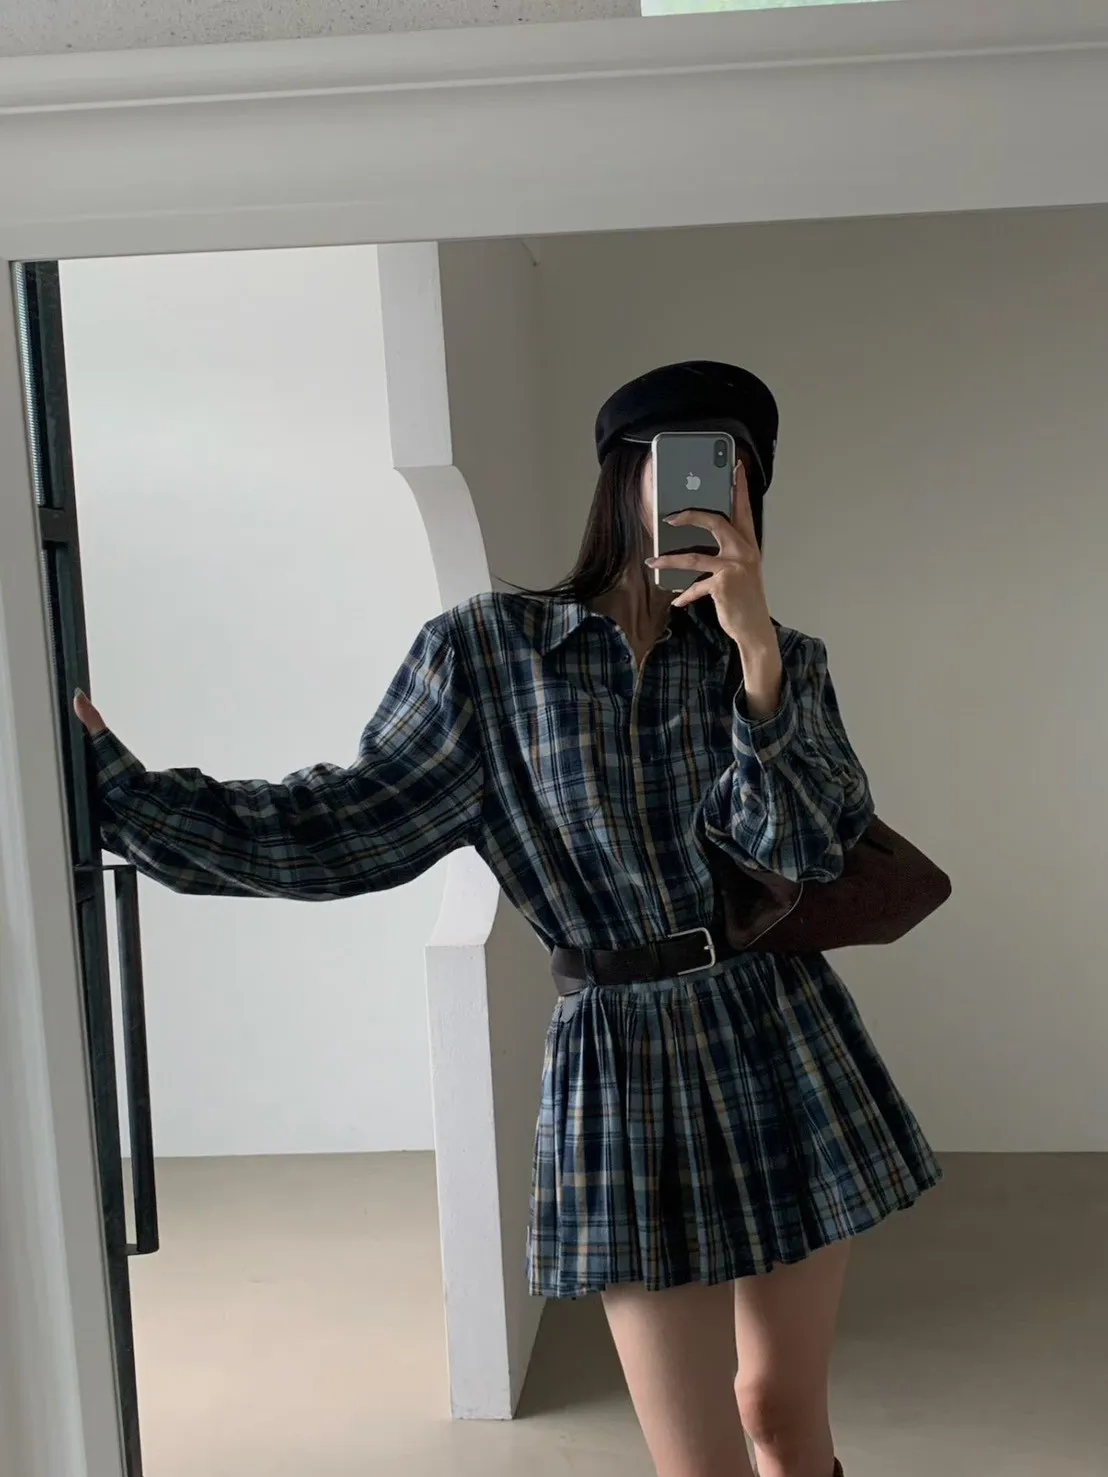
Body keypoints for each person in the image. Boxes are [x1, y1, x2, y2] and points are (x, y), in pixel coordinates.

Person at [75, 361, 942, 1477]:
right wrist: (128, 797)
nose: (708, 487)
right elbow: (347, 824)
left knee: (779, 1413)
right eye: (684, 459)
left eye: (732, 468)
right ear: (625, 477)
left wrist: (758, 664)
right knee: (699, 1460)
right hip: (621, 1058)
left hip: (777, 1032)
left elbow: (802, 851)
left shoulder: (783, 661)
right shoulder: (488, 655)